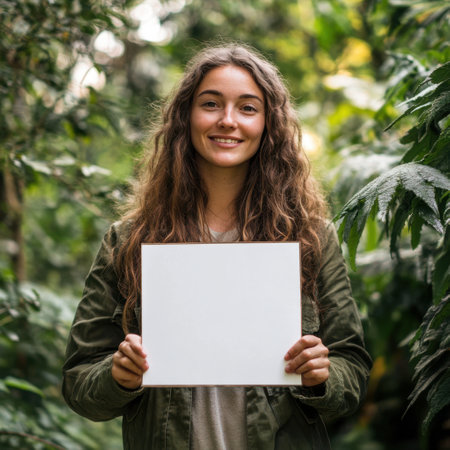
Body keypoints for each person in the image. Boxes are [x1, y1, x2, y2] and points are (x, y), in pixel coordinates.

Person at [62, 43, 372, 450]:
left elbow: (352, 370)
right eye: (211, 104)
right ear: (186, 117)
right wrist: (118, 376)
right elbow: (78, 379)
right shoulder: (130, 240)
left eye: (247, 108)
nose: (228, 121)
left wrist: (322, 374)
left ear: (269, 124)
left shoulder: (311, 238)